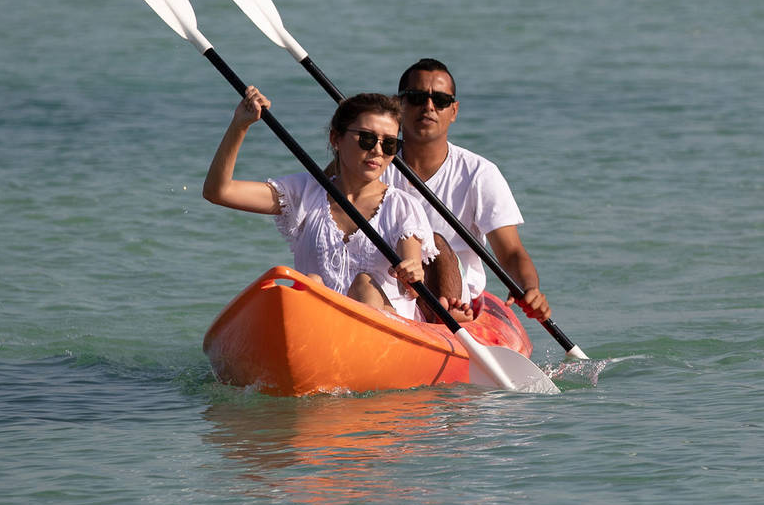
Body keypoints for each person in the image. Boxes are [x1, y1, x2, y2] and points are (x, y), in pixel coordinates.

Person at [201, 87, 467, 321]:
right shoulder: (303, 192)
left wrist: (412, 271)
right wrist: (240, 125)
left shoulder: (403, 206)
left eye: (388, 144)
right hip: (319, 325)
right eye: (366, 139)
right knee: (311, 284)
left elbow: (411, 267)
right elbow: (219, 191)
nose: (377, 150)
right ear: (336, 139)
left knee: (363, 284)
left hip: (386, 328)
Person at [386, 58, 556, 322]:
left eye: (440, 100)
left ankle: (445, 320)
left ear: (453, 111)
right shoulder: (371, 162)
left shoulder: (479, 173)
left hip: (453, 294)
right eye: (417, 97)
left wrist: (529, 288)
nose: (429, 107)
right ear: (398, 106)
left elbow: (510, 252)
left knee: (434, 244)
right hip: (388, 281)